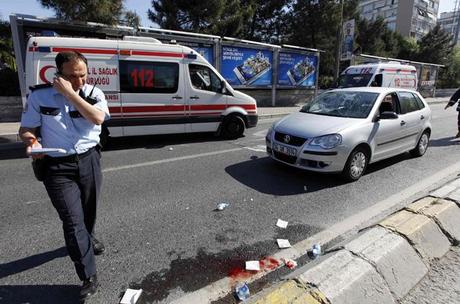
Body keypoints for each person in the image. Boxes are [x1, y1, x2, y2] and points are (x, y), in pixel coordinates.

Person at [19, 51, 110, 302]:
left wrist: (70, 93)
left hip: (89, 160)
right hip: (57, 167)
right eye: (72, 76)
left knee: (88, 211)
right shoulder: (40, 96)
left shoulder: (94, 94)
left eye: (83, 74)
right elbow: (26, 129)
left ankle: (89, 238)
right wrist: (33, 142)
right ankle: (88, 275)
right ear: (58, 74)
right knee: (72, 220)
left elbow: (97, 118)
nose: (79, 80)